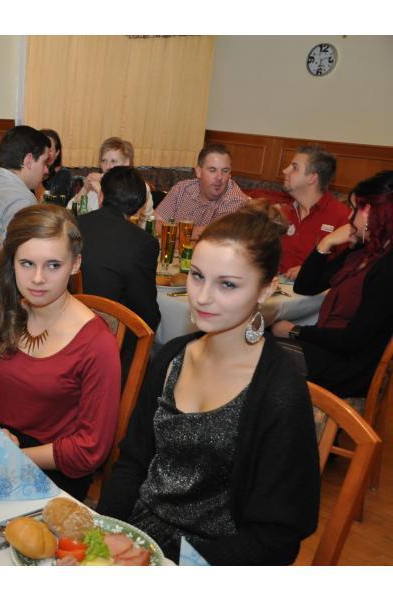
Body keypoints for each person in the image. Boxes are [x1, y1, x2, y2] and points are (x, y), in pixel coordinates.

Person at [97, 203, 320, 565]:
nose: (202, 297)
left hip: (212, 559)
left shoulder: (279, 390)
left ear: (266, 289)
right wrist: (106, 530)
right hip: (137, 537)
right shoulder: (172, 357)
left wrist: (162, 561)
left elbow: (276, 538)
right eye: (197, 276)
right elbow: (132, 463)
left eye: (227, 284)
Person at [0, 204, 121, 501]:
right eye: (26, 263)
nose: (37, 278)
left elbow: (89, 449)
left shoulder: (96, 343)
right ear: (12, 262)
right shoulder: (7, 313)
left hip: (54, 473)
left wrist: (14, 456)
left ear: (75, 264)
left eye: (53, 265)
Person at [271, 170, 393, 398]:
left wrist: (295, 331)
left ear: (373, 213)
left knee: (257, 351)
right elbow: (305, 286)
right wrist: (326, 243)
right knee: (249, 341)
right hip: (329, 351)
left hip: (349, 369)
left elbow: (353, 340)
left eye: (355, 209)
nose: (349, 217)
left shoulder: (387, 268)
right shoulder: (362, 251)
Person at [77, 165, 160, 348]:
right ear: (138, 208)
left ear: (101, 196)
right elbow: (146, 313)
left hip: (65, 328)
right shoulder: (143, 243)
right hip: (111, 341)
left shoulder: (72, 224)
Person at [278, 144, 350, 279]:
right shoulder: (283, 212)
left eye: (294, 167)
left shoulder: (343, 217)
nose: (284, 170)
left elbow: (349, 267)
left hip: (313, 290)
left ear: (312, 178)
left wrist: (312, 271)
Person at [0, 126, 50, 240]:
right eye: (44, 162)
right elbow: (16, 249)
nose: (46, 170)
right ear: (29, 161)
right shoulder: (24, 200)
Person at [154, 143, 249, 238]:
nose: (219, 177)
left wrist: (174, 230)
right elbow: (154, 224)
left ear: (230, 174)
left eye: (225, 171)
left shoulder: (236, 202)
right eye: (212, 170)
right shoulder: (182, 189)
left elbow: (215, 238)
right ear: (198, 172)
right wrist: (189, 232)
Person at [68, 137, 154, 225]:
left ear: (126, 163)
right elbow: (68, 215)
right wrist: (85, 189)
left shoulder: (138, 187)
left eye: (113, 161)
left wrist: (100, 191)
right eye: (104, 161)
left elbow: (115, 220)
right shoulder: (95, 181)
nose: (107, 166)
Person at [37, 129, 73, 202]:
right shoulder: (28, 171)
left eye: (49, 150)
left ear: (57, 153)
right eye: (41, 149)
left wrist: (38, 181)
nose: (45, 153)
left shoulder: (63, 174)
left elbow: (55, 204)